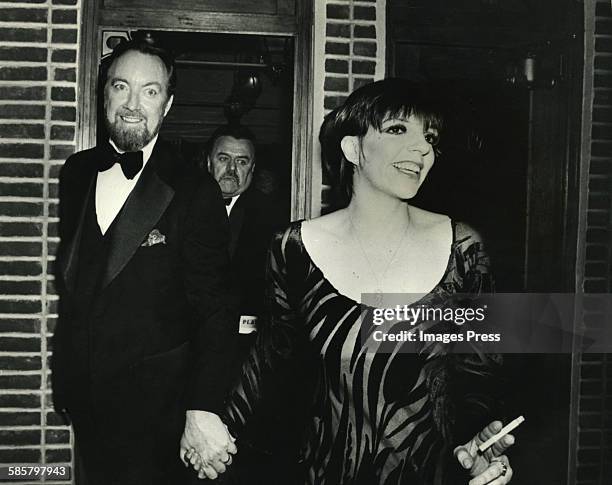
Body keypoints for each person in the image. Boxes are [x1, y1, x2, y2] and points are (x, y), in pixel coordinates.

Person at [191, 79, 517, 484]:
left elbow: (480, 375)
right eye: (399, 130)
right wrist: (208, 424)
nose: (423, 149)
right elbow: (268, 362)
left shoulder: (464, 248)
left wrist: (481, 443)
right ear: (353, 148)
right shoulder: (295, 248)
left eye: (429, 137)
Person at [52, 36, 238, 484]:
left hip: (159, 413)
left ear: (168, 104)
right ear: (104, 94)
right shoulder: (77, 173)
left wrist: (204, 406)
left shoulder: (194, 190)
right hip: (86, 402)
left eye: (150, 91)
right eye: (121, 87)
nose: (133, 105)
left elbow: (216, 308)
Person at [204, 125, 294, 483]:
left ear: (253, 171)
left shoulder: (272, 221)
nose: (231, 169)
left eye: (242, 162)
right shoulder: (178, 208)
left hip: (246, 355)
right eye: (223, 159)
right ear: (207, 162)